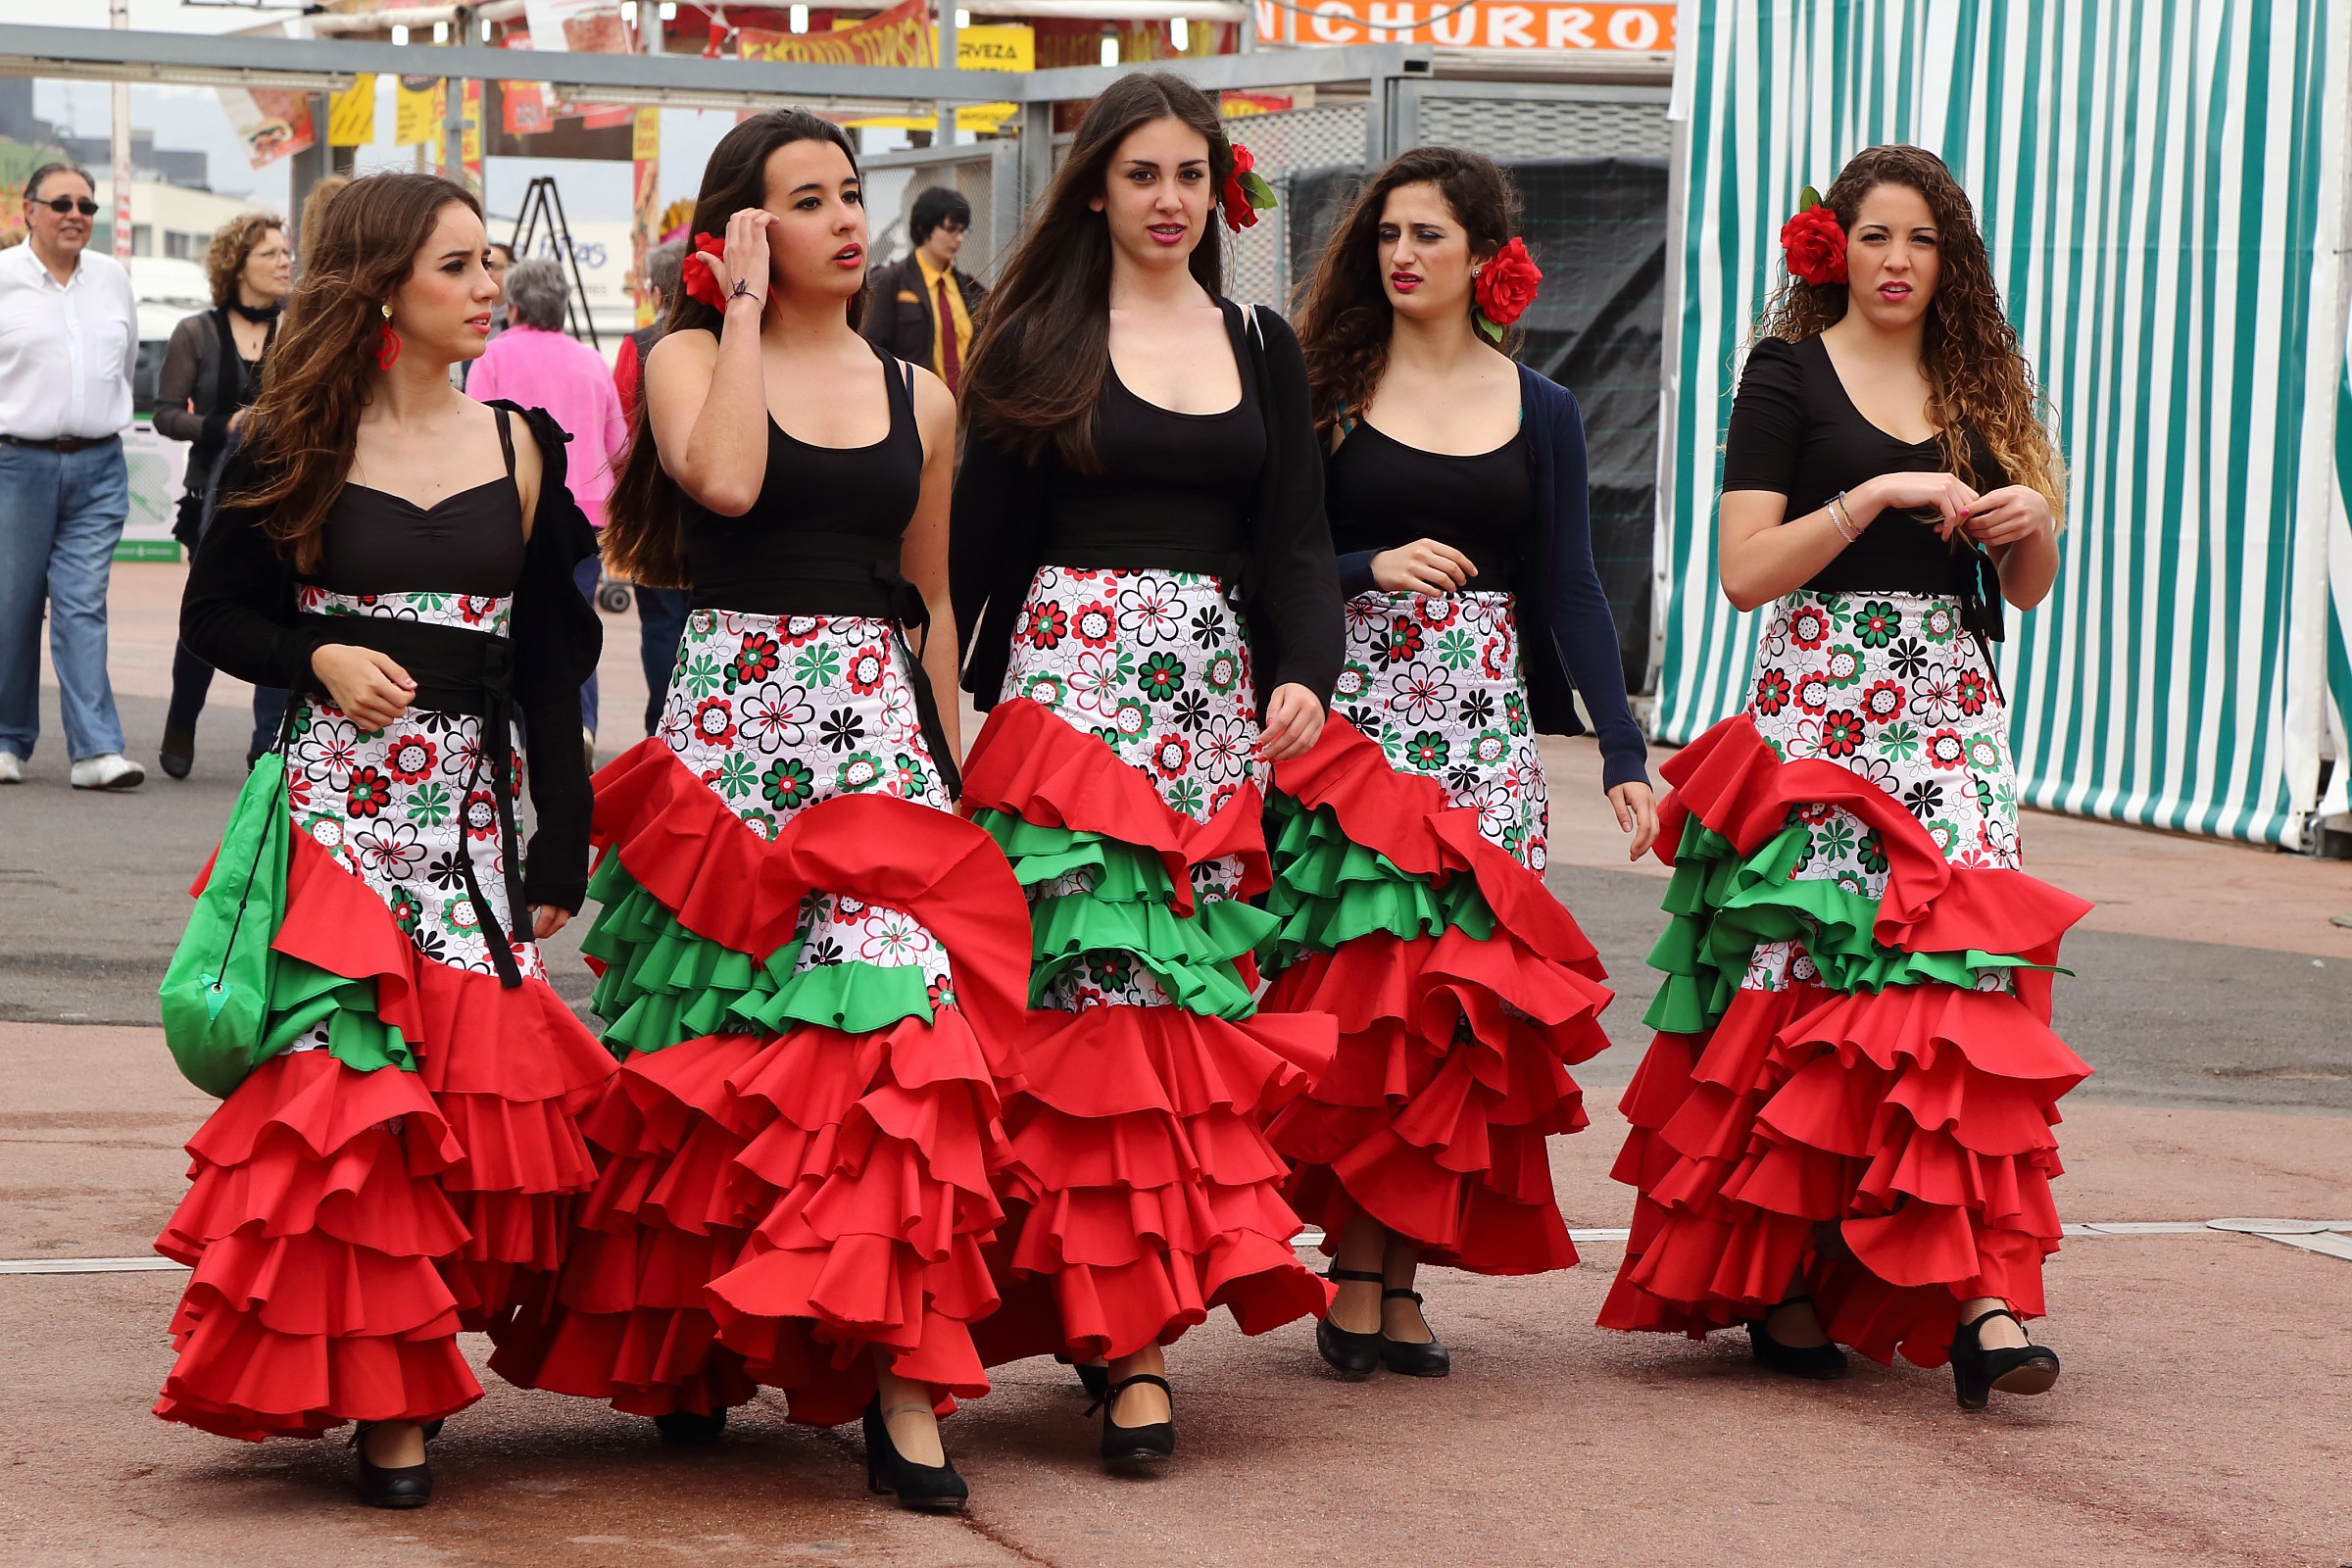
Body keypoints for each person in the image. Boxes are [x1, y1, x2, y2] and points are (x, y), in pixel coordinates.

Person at [488, 110, 1031, 1512]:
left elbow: (934, 599)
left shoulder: (922, 391)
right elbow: (722, 480)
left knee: (900, 1038)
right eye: (807, 201)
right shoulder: (683, 358)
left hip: (879, 753)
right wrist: (730, 314)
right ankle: (695, 1343)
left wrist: (951, 774)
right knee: (715, 1050)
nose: (849, 220)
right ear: (743, 230)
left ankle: (903, 1382)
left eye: (854, 194)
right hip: (735, 737)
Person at [1597, 145, 2088, 1411]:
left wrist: (2032, 528)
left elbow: (2023, 594)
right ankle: (1793, 1266)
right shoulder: (1786, 377)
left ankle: (1982, 1296)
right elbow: (1743, 570)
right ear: (1834, 248)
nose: (1898, 262)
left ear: (1951, 261)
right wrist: (1871, 495)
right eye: (1875, 236)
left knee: (1960, 990)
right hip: (1819, 713)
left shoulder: (1981, 381)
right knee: (1806, 987)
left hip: (1951, 718)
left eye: (1922, 241)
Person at [158, 172, 613, 1504]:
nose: (490, 290)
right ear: (382, 289)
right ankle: (385, 1405)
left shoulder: (524, 444)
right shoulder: (287, 437)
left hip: (467, 834)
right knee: (343, 1109)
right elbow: (215, 618)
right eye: (461, 267)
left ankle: (415, 1365)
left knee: (463, 1118)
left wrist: (560, 840)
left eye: (490, 264)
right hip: (332, 828)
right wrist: (317, 655)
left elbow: (551, 663)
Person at [951, 72, 1344, 1467]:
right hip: (1062, 717)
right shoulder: (1037, 338)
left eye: (1190, 175)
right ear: (1097, 190)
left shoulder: (1259, 341)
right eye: (1142, 176)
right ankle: (1126, 1346)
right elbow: (974, 561)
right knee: (1076, 1010)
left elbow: (1297, 537)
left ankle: (1117, 1307)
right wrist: (952, 725)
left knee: (1166, 1020)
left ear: (1217, 193)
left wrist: (1302, 673)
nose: (1169, 200)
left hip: (1202, 714)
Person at [1263, 146, 1656, 1379]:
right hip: (1351, 733)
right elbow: (1264, 567)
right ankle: (1358, 1269)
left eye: (1428, 235)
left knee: (1453, 1013)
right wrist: (1362, 568)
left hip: (1484, 738)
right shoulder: (1324, 391)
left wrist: (1623, 751)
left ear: (1487, 256)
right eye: (1388, 234)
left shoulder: (1539, 406)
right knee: (1362, 998)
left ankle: (1390, 1268)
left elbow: (1573, 591)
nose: (1401, 255)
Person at [0, 162, 143, 790]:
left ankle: (96, 750)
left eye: (87, 205)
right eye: (61, 203)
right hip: (15, 463)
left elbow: (127, 366)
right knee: (13, 606)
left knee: (83, 604)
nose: (76, 215)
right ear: (28, 210)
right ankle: (7, 741)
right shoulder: (2, 279)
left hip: (99, 462)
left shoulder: (112, 279)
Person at [466, 256, 627, 757]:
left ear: (512, 307)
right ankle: (578, 728)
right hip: (585, 514)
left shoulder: (491, 357)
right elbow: (618, 447)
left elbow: (474, 434)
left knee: (509, 624)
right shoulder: (591, 362)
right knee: (575, 622)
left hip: (510, 507)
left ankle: (512, 731)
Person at [154, 211, 293, 779]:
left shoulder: (300, 327)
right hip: (211, 497)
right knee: (211, 607)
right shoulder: (197, 332)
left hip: (286, 494)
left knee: (283, 611)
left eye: (287, 252)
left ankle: (267, 746)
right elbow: (166, 415)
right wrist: (225, 427)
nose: (286, 262)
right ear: (237, 265)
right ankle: (183, 715)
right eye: (271, 254)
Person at [613, 237, 693, 735]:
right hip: (719, 500)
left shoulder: (640, 343)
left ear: (657, 290)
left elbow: (623, 415)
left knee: (662, 618)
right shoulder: (729, 339)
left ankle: (660, 723)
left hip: (652, 499)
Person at [861, 185, 983, 395]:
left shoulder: (970, 289)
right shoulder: (890, 281)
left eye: (963, 230)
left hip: (965, 413)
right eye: (951, 228)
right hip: (912, 410)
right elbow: (870, 354)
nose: (959, 238)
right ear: (924, 227)